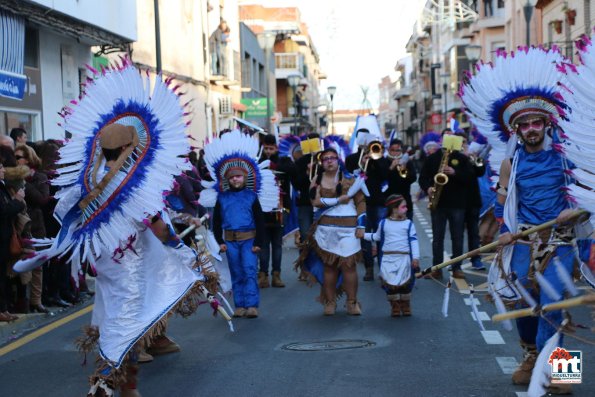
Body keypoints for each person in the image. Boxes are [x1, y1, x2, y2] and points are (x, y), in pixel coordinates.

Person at [12, 59, 207, 397]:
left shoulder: (88, 182)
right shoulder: (132, 188)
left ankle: (128, 389)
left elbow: (68, 216)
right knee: (126, 327)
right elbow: (159, 227)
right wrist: (183, 250)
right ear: (131, 146)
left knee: (122, 326)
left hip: (107, 269)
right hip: (129, 271)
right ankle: (103, 386)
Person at [460, 46, 583, 393]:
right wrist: (505, 231)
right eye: (524, 124)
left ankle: (559, 372)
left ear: (547, 123)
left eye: (536, 122)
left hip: (559, 242)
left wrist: (573, 209)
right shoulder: (509, 165)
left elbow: (586, 193)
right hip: (524, 241)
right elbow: (503, 205)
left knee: (556, 303)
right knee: (525, 305)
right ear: (516, 130)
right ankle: (531, 358)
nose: (531, 128)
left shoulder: (566, 159)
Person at [297, 147, 366, 315]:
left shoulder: (350, 179)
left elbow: (361, 202)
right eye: (326, 158)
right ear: (321, 162)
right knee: (330, 267)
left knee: (349, 266)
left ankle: (352, 302)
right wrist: (338, 200)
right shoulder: (316, 180)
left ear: (338, 160)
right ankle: (330, 302)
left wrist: (361, 226)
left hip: (349, 228)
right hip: (326, 229)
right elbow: (315, 202)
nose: (329, 161)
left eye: (332, 158)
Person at [419, 130, 474, 279]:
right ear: (442, 140)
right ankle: (437, 269)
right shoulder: (432, 159)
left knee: (457, 237)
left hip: (457, 204)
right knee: (437, 238)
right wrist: (428, 188)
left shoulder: (461, 158)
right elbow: (423, 178)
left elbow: (470, 178)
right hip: (439, 204)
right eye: (447, 136)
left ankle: (457, 267)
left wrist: (455, 172)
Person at [362, 194, 419, 317]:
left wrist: (415, 258)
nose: (406, 209)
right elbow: (377, 237)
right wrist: (363, 235)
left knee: (405, 283)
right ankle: (395, 305)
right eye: (403, 207)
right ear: (394, 208)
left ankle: (405, 304)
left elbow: (414, 241)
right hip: (388, 258)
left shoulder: (409, 224)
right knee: (391, 283)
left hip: (404, 258)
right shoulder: (383, 223)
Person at [346, 128, 389, 281]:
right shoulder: (351, 158)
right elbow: (348, 175)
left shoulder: (379, 157)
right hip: (360, 201)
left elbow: (385, 175)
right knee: (364, 235)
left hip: (377, 200)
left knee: (380, 234)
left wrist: (374, 160)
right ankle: (369, 268)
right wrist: (361, 163)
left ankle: (383, 267)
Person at [15, 144, 50, 313]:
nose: (15, 161)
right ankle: (24, 301)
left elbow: (42, 200)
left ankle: (36, 300)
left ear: (28, 159)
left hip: (35, 226)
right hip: (19, 226)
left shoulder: (40, 177)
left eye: (18, 157)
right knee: (21, 265)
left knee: (37, 265)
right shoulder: (12, 176)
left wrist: (25, 183)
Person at [257, 134, 295, 288]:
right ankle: (263, 275)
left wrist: (272, 163)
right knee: (264, 244)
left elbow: (291, 171)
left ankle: (276, 275)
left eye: (271, 149)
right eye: (265, 148)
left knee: (277, 244)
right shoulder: (258, 160)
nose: (268, 151)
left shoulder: (283, 160)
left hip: (280, 207)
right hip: (262, 208)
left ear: (276, 148)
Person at [0, 155, 26, 322]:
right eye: (0, 167)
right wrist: (17, 200)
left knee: (3, 275)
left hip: (5, 237)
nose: (3, 170)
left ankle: (3, 308)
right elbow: (4, 211)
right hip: (1, 236)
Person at [385, 139, 417, 220]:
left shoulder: (407, 162)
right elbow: (382, 179)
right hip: (388, 200)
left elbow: (413, 178)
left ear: (401, 150)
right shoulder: (384, 161)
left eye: (398, 150)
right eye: (392, 150)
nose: (395, 152)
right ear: (389, 150)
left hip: (405, 199)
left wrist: (403, 169)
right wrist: (391, 168)